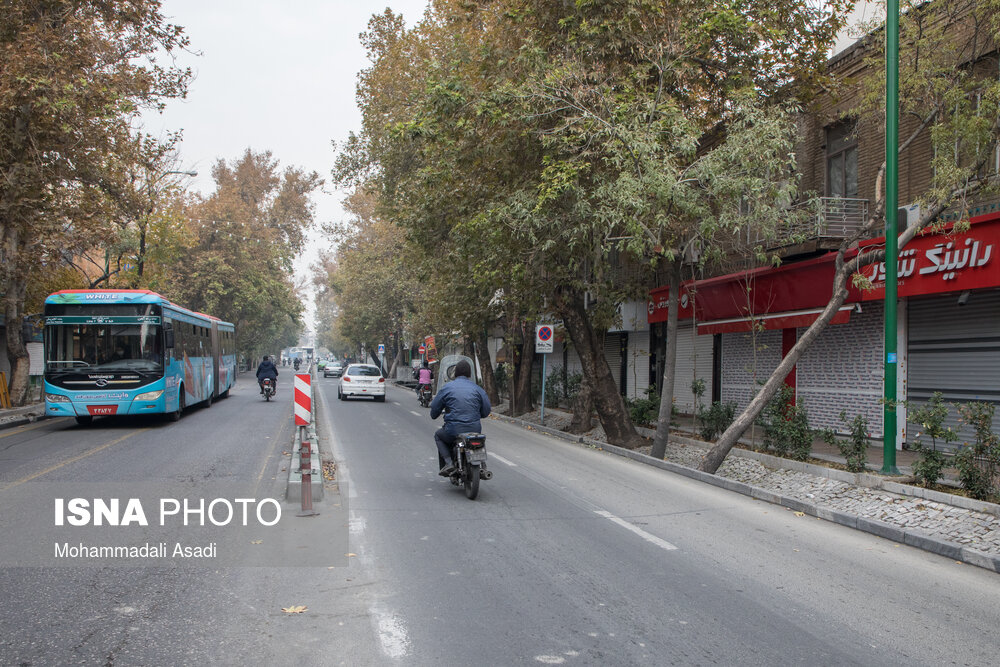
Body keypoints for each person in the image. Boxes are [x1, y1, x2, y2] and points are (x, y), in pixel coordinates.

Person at [429, 360, 491, 476]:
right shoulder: (478, 389)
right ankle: (483, 465)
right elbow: (486, 410)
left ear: (455, 373)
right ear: (469, 374)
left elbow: (434, 410)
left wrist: (435, 413)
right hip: (475, 429)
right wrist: (478, 414)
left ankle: (448, 463)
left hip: (453, 430)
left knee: (438, 435)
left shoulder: (447, 388)